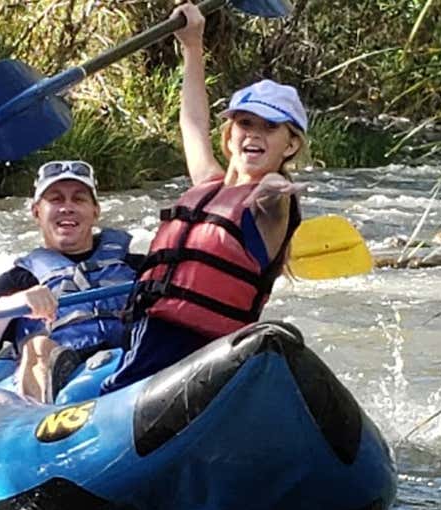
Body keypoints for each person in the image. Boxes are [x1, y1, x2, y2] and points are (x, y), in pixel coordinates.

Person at [101, 2, 309, 394]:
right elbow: (193, 122)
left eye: (270, 127)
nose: (254, 134)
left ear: (290, 145)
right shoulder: (208, 183)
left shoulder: (272, 202)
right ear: (229, 134)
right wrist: (192, 46)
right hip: (150, 337)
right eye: (245, 123)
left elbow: (272, 197)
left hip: (205, 356)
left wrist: (276, 189)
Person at [0, 160, 144, 403]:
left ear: (95, 211)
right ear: (37, 212)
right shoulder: (20, 279)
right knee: (37, 346)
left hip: (133, 362)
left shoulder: (139, 267)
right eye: (56, 199)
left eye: (78, 199)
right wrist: (17, 302)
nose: (67, 208)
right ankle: (44, 416)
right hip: (61, 377)